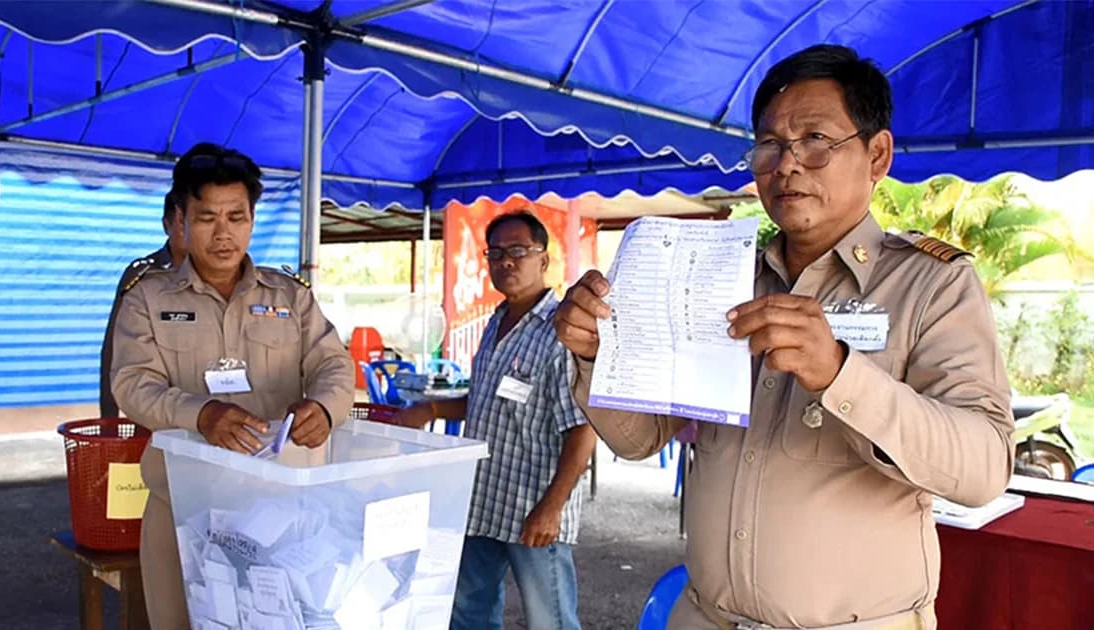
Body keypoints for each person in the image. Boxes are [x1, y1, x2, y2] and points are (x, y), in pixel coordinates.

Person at [554, 45, 1013, 630]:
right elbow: (641, 439)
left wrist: (843, 375)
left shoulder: (931, 285)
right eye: (770, 144)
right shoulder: (721, 278)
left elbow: (982, 470)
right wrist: (599, 356)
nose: (787, 164)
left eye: (816, 139)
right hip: (705, 616)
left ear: (877, 155)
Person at [111, 142, 354, 629]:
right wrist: (200, 414)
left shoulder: (290, 296)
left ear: (251, 218)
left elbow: (336, 366)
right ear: (180, 219)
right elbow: (131, 384)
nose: (223, 233)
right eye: (206, 218)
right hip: (181, 505)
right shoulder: (147, 298)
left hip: (280, 508)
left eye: (236, 216)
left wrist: (325, 410)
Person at [394, 211, 596, 630]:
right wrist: (432, 409)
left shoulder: (562, 332)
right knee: (469, 614)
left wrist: (551, 508)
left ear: (544, 260)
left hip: (534, 509)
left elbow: (582, 430)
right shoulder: (495, 322)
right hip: (483, 498)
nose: (506, 261)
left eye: (518, 251)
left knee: (551, 621)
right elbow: (484, 398)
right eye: (496, 253)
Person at [99, 191, 187, 419]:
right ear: (165, 225)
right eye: (179, 223)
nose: (186, 230)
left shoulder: (219, 276)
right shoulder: (143, 275)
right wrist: (109, 418)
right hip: (153, 407)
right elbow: (113, 348)